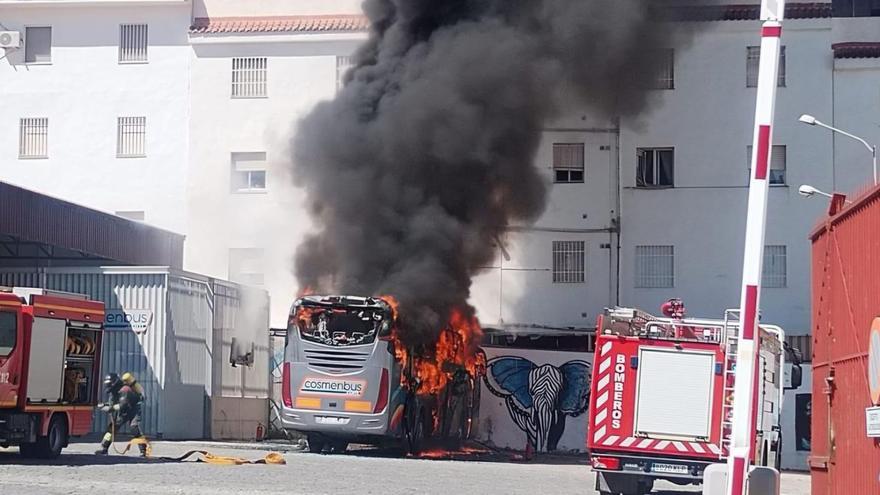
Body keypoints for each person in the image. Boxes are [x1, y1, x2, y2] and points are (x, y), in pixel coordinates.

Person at [95, 372, 147, 456]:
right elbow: (112, 403)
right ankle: (104, 448)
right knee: (112, 428)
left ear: (114, 382)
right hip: (124, 411)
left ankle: (143, 451)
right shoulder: (113, 391)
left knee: (134, 428)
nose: (108, 386)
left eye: (109, 383)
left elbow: (123, 405)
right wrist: (105, 405)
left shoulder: (125, 390)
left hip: (134, 410)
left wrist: (109, 408)